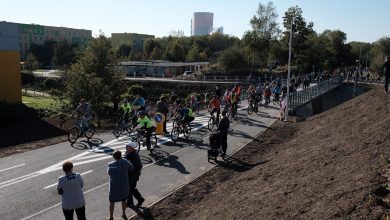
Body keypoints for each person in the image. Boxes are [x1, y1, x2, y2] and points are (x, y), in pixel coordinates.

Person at [108, 150, 133, 220]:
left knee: (112, 201)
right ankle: (124, 214)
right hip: (124, 185)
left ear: (114, 157)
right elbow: (131, 168)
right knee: (124, 200)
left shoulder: (110, 165)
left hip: (114, 187)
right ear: (121, 155)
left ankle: (111, 216)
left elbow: (109, 173)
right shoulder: (125, 162)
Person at [125, 142, 145, 209]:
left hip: (134, 174)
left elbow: (139, 166)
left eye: (127, 146)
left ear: (132, 148)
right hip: (130, 174)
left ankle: (138, 200)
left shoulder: (134, 155)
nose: (126, 147)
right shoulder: (129, 154)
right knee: (130, 188)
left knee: (130, 188)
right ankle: (131, 202)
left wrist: (131, 169)